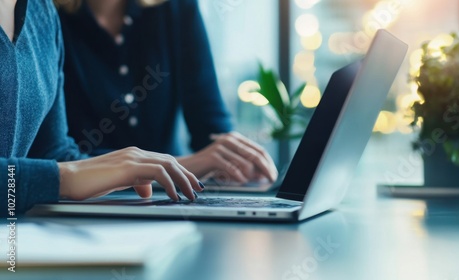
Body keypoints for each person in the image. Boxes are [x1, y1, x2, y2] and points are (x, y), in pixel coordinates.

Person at [0, 0, 205, 217]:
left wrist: (125, 167)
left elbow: (52, 154)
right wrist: (64, 178)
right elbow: (58, 173)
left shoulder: (41, 10)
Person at [56, 0, 278, 184]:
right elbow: (57, 160)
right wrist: (185, 165)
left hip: (172, 199)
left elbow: (210, 126)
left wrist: (234, 160)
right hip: (82, 208)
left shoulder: (176, 7)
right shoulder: (46, 14)